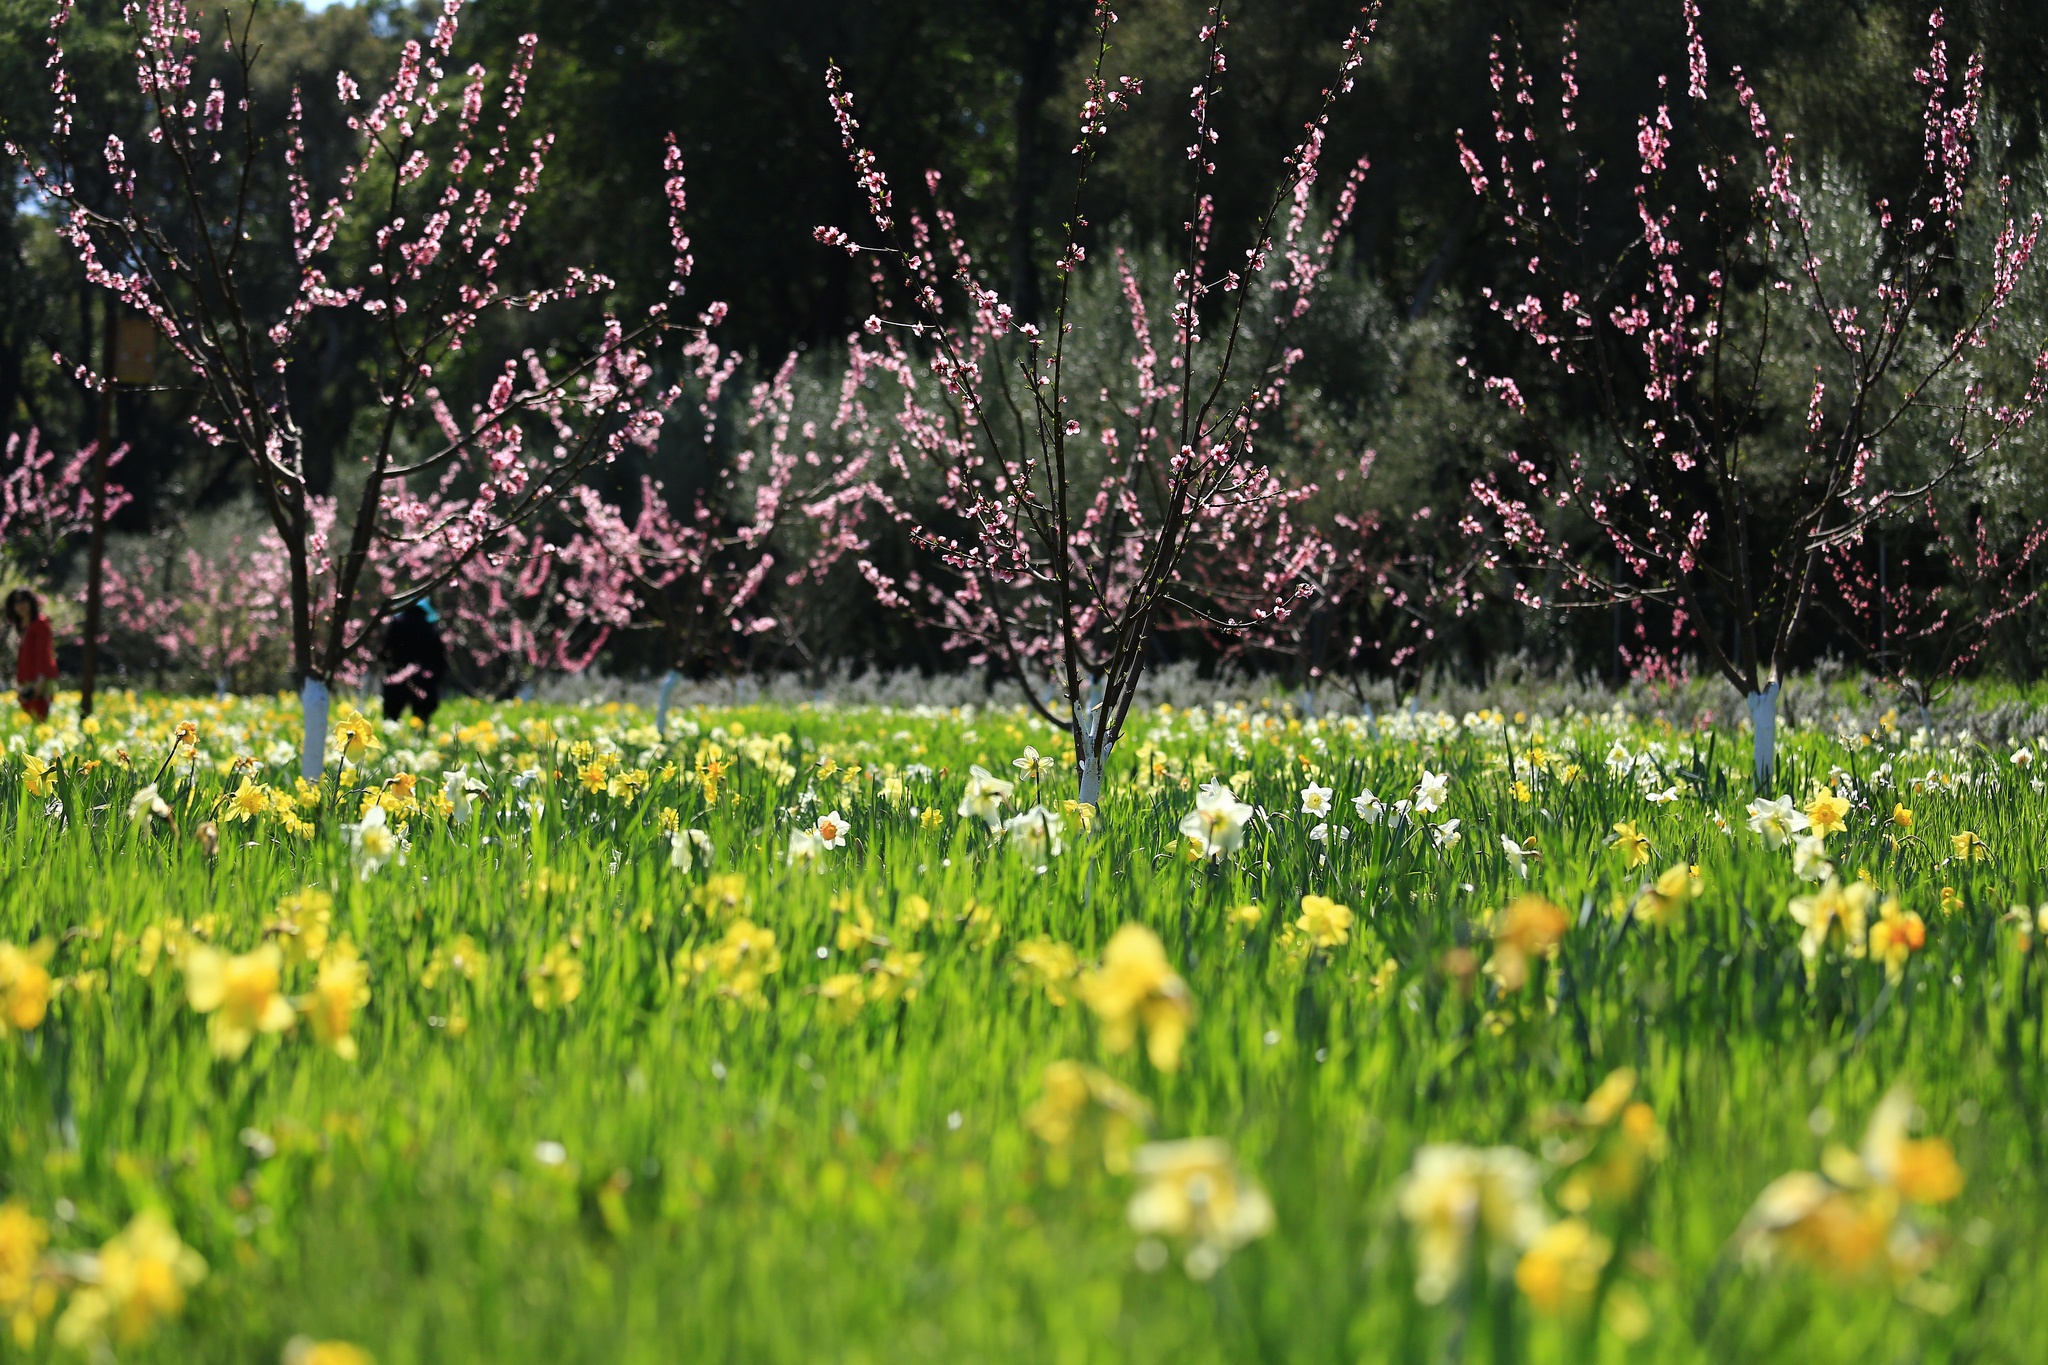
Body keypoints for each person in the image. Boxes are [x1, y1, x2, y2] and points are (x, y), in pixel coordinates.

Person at [380, 599, 448, 724]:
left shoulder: (396, 624)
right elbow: (441, 659)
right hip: (424, 679)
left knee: (391, 719)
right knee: (421, 719)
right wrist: (437, 678)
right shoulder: (430, 629)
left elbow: (383, 653)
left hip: (397, 674)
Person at [7, 589, 58, 722]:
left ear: (31, 602)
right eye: (16, 602)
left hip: (39, 680)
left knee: (41, 721)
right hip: (27, 680)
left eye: (24, 601)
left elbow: (44, 653)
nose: (20, 605)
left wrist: (40, 682)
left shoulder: (40, 623)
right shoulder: (23, 627)